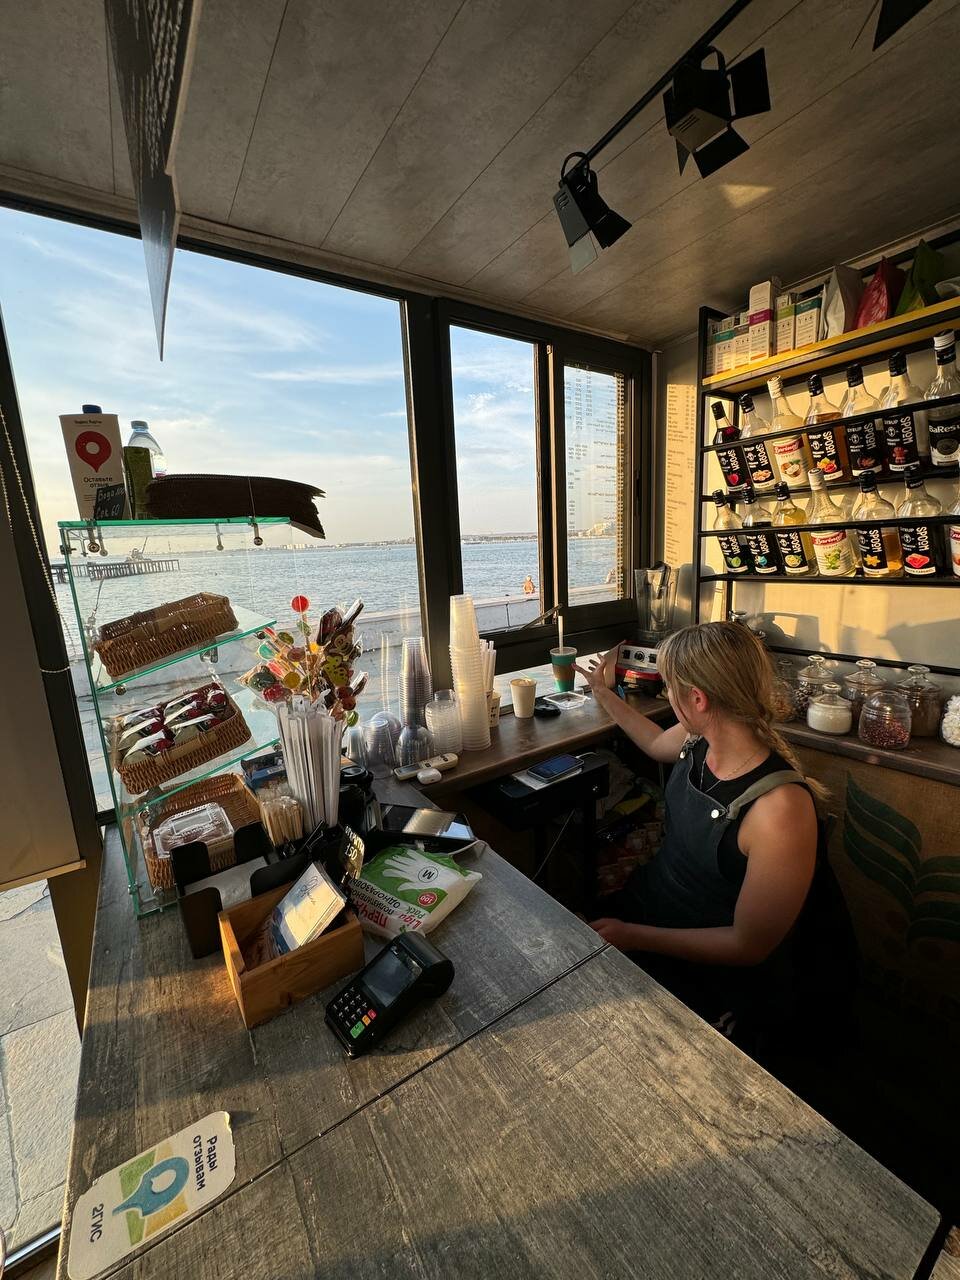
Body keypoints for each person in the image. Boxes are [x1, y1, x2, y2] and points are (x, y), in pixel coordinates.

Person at [574, 622, 824, 1034]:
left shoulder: (779, 810)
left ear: (697, 699)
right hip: (650, 911)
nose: (668, 697)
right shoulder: (702, 736)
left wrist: (633, 937)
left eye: (669, 688)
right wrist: (603, 692)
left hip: (712, 972)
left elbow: (747, 946)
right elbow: (655, 744)